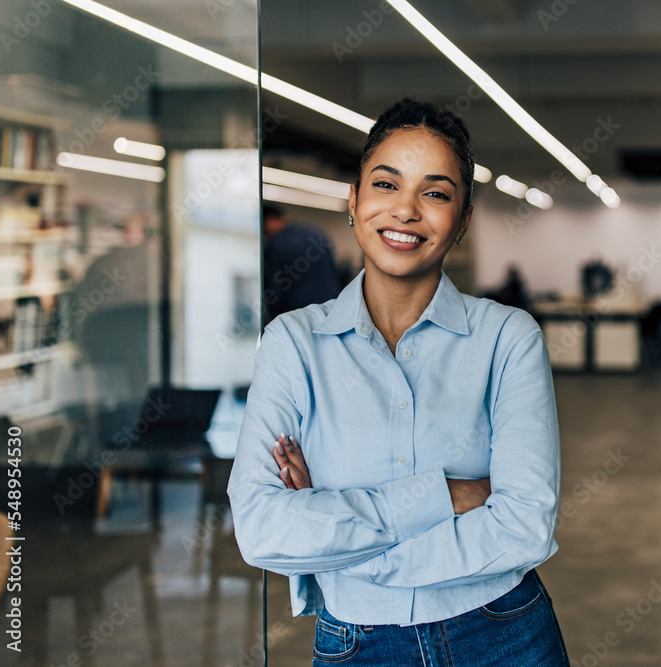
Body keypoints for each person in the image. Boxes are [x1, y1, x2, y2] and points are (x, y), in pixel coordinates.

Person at [228, 99, 569, 665]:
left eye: (434, 193)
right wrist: (446, 496)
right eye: (386, 184)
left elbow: (525, 525)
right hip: (355, 645)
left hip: (503, 635)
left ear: (461, 221)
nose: (406, 210)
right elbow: (262, 529)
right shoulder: (291, 343)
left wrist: (339, 539)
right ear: (354, 200)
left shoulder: (508, 338)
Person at [262, 202, 343, 323]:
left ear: (269, 221)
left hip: (298, 311)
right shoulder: (316, 233)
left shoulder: (276, 244)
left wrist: (274, 320)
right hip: (330, 304)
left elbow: (276, 288)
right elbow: (334, 270)